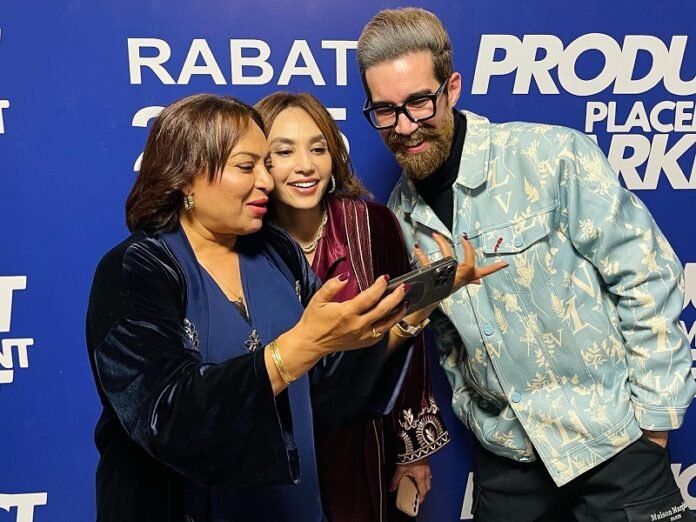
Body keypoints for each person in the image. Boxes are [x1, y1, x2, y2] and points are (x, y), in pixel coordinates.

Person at [356, 8, 696, 522]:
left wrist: (653, 422)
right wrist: (474, 411)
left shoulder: (550, 155)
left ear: (452, 88)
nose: (404, 126)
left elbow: (647, 275)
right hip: (506, 463)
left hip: (614, 443)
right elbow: (444, 339)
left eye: (419, 102)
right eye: (385, 110)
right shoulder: (399, 215)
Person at [85, 93, 418, 522]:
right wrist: (294, 350)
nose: (267, 180)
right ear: (186, 177)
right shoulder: (137, 268)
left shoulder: (277, 250)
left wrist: (405, 319)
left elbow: (325, 391)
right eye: (247, 166)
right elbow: (166, 416)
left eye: (266, 163)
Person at [255, 92, 502, 521]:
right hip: (274, 446)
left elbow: (407, 334)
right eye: (284, 152)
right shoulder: (245, 238)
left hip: (359, 439)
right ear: (261, 162)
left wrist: (413, 449)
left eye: (318, 149)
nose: (305, 166)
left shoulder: (371, 224)